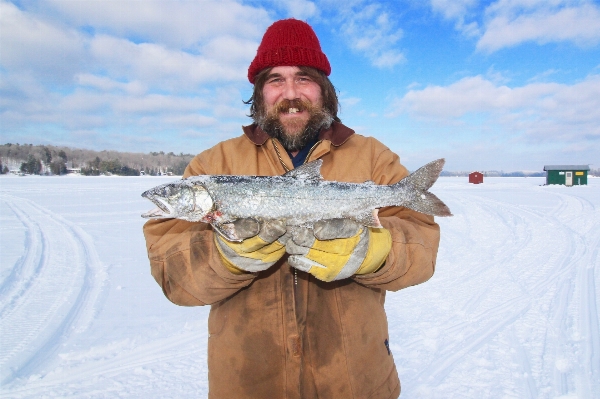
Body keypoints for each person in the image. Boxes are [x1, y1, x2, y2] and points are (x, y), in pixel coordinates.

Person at [143, 18, 440, 399]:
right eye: (275, 80)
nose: (290, 92)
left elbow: (423, 251)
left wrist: (374, 250)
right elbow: (173, 277)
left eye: (303, 78)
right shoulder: (210, 165)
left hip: (355, 382)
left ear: (324, 89)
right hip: (247, 382)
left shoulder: (373, 157)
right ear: (259, 93)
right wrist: (225, 256)